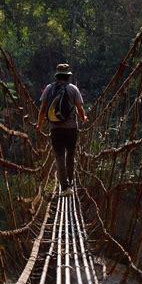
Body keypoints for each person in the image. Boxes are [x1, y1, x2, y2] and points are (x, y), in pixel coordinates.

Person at [36, 63, 88, 197]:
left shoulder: (49, 88)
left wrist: (39, 124)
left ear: (57, 75)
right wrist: (83, 118)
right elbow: (79, 108)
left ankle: (65, 187)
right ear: (68, 76)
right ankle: (70, 182)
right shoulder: (73, 89)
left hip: (55, 128)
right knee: (70, 155)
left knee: (59, 157)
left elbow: (42, 109)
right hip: (71, 128)